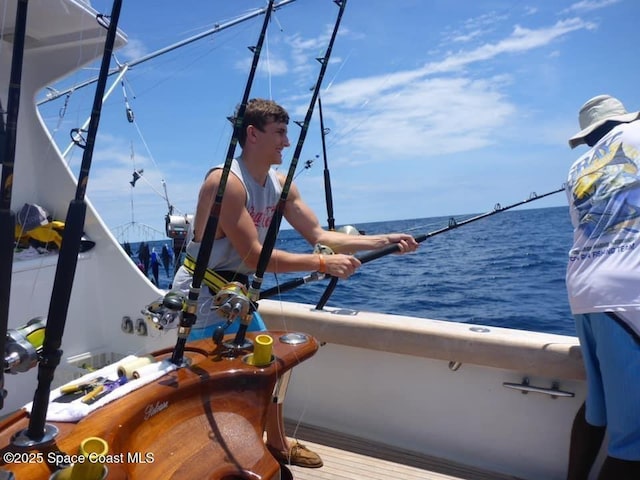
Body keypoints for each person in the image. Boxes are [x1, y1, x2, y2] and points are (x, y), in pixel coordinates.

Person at [172, 98, 418, 469]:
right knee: (202, 379)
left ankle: (276, 444)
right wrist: (323, 262)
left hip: (237, 294)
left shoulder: (281, 184)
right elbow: (255, 256)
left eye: (287, 133)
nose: (286, 143)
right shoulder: (225, 183)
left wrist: (384, 241)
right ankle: (200, 460)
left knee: (271, 364)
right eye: (280, 133)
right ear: (252, 134)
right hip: (202, 293)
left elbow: (318, 233)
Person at [565, 94, 640, 479]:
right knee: (635, 442)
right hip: (629, 293)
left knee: (599, 406)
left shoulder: (578, 167)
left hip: (584, 288)